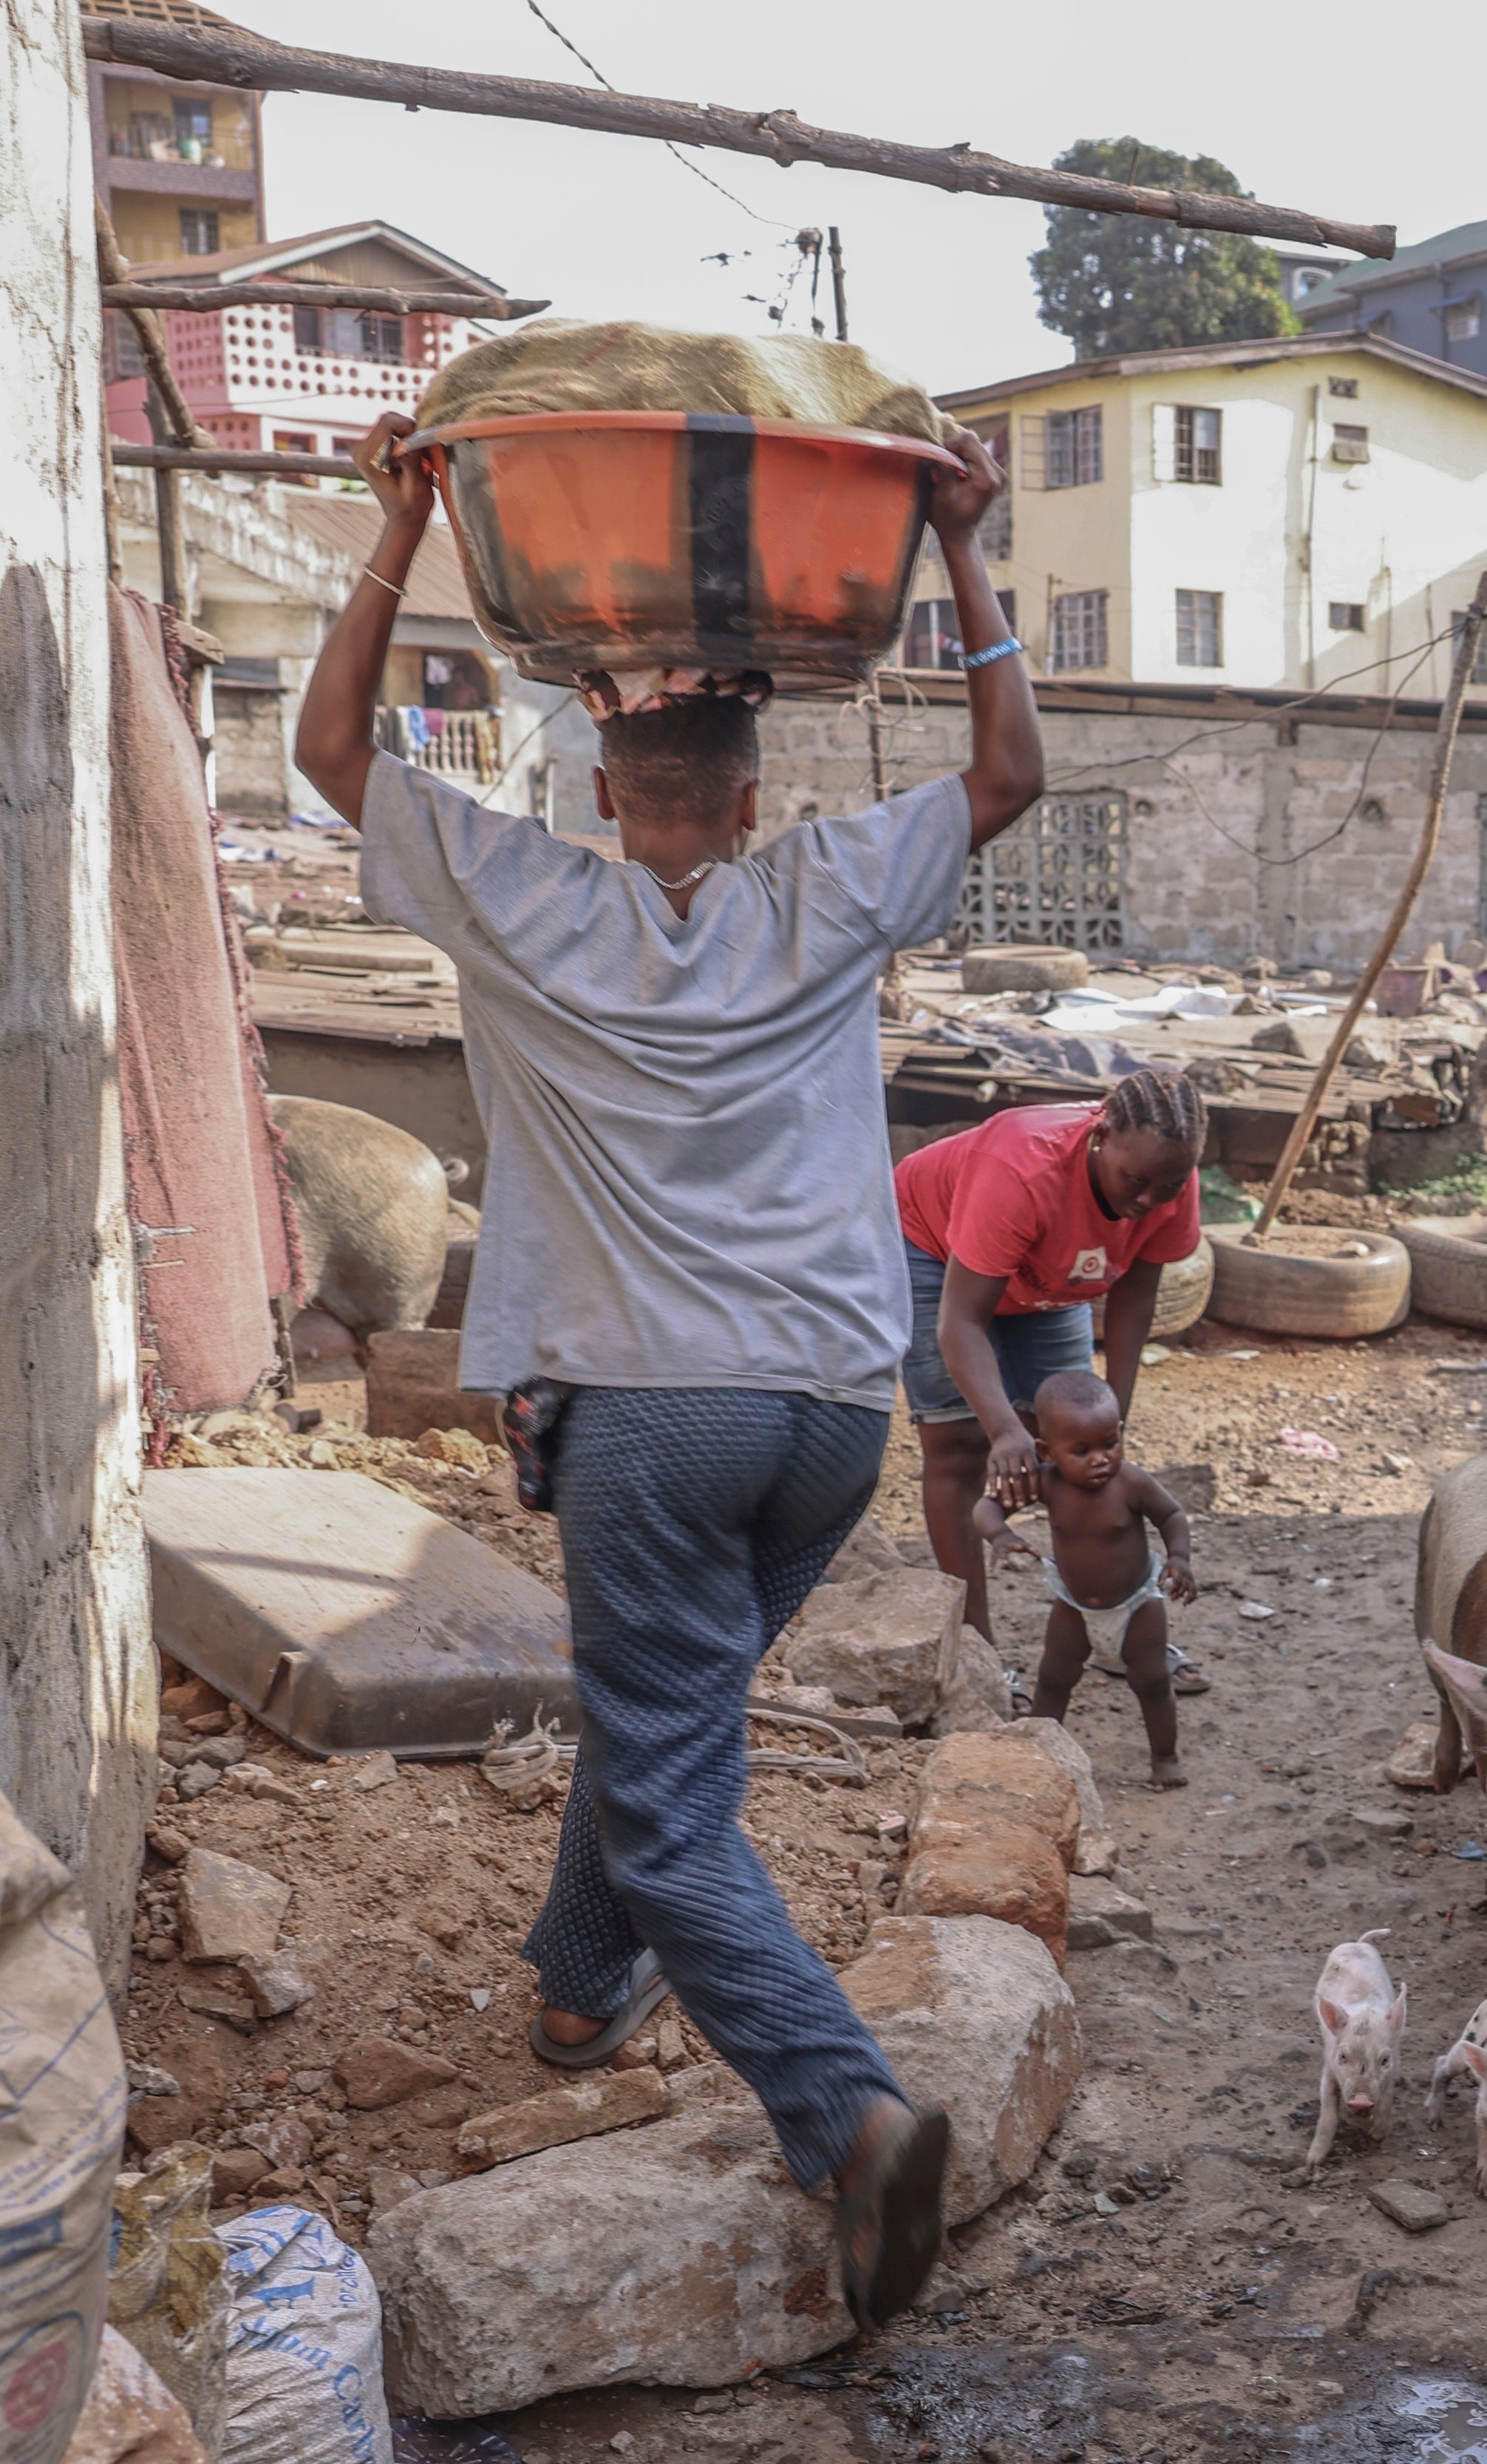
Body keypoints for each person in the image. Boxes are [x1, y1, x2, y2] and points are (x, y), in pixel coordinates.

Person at [293, 403, 1044, 2325]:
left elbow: (326, 752)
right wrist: (957, 539)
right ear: (751, 791)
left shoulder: (530, 900)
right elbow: (1007, 769)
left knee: (672, 1796)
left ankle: (849, 2108)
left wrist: (400, 526)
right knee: (669, 1719)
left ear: (611, 792)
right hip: (832, 1413)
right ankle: (575, 1979)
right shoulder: (824, 892)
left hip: (650, 1415)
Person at [893, 1072, 1211, 1690]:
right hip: (931, 1248)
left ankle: (1121, 1634)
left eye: (1166, 1185)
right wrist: (1003, 1427)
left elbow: (1137, 1293)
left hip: (1053, 1270)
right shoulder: (1021, 1166)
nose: (1148, 1201)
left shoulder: (1174, 1178)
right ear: (1102, 1134)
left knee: (1079, 1447)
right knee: (961, 1446)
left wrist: (1113, 1413)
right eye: (1135, 1181)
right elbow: (961, 1320)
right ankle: (978, 1660)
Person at [976, 1370, 1200, 1789]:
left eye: (1110, 1444)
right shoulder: (1046, 1482)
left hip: (1137, 1603)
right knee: (1055, 1676)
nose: (1101, 1459)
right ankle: (1039, 1751)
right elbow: (987, 1508)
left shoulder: (1130, 1482)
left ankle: (1165, 1759)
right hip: (1074, 1606)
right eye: (1081, 1451)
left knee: (1151, 1681)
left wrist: (1180, 1558)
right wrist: (1001, 1535)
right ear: (1046, 1450)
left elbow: (1171, 1515)